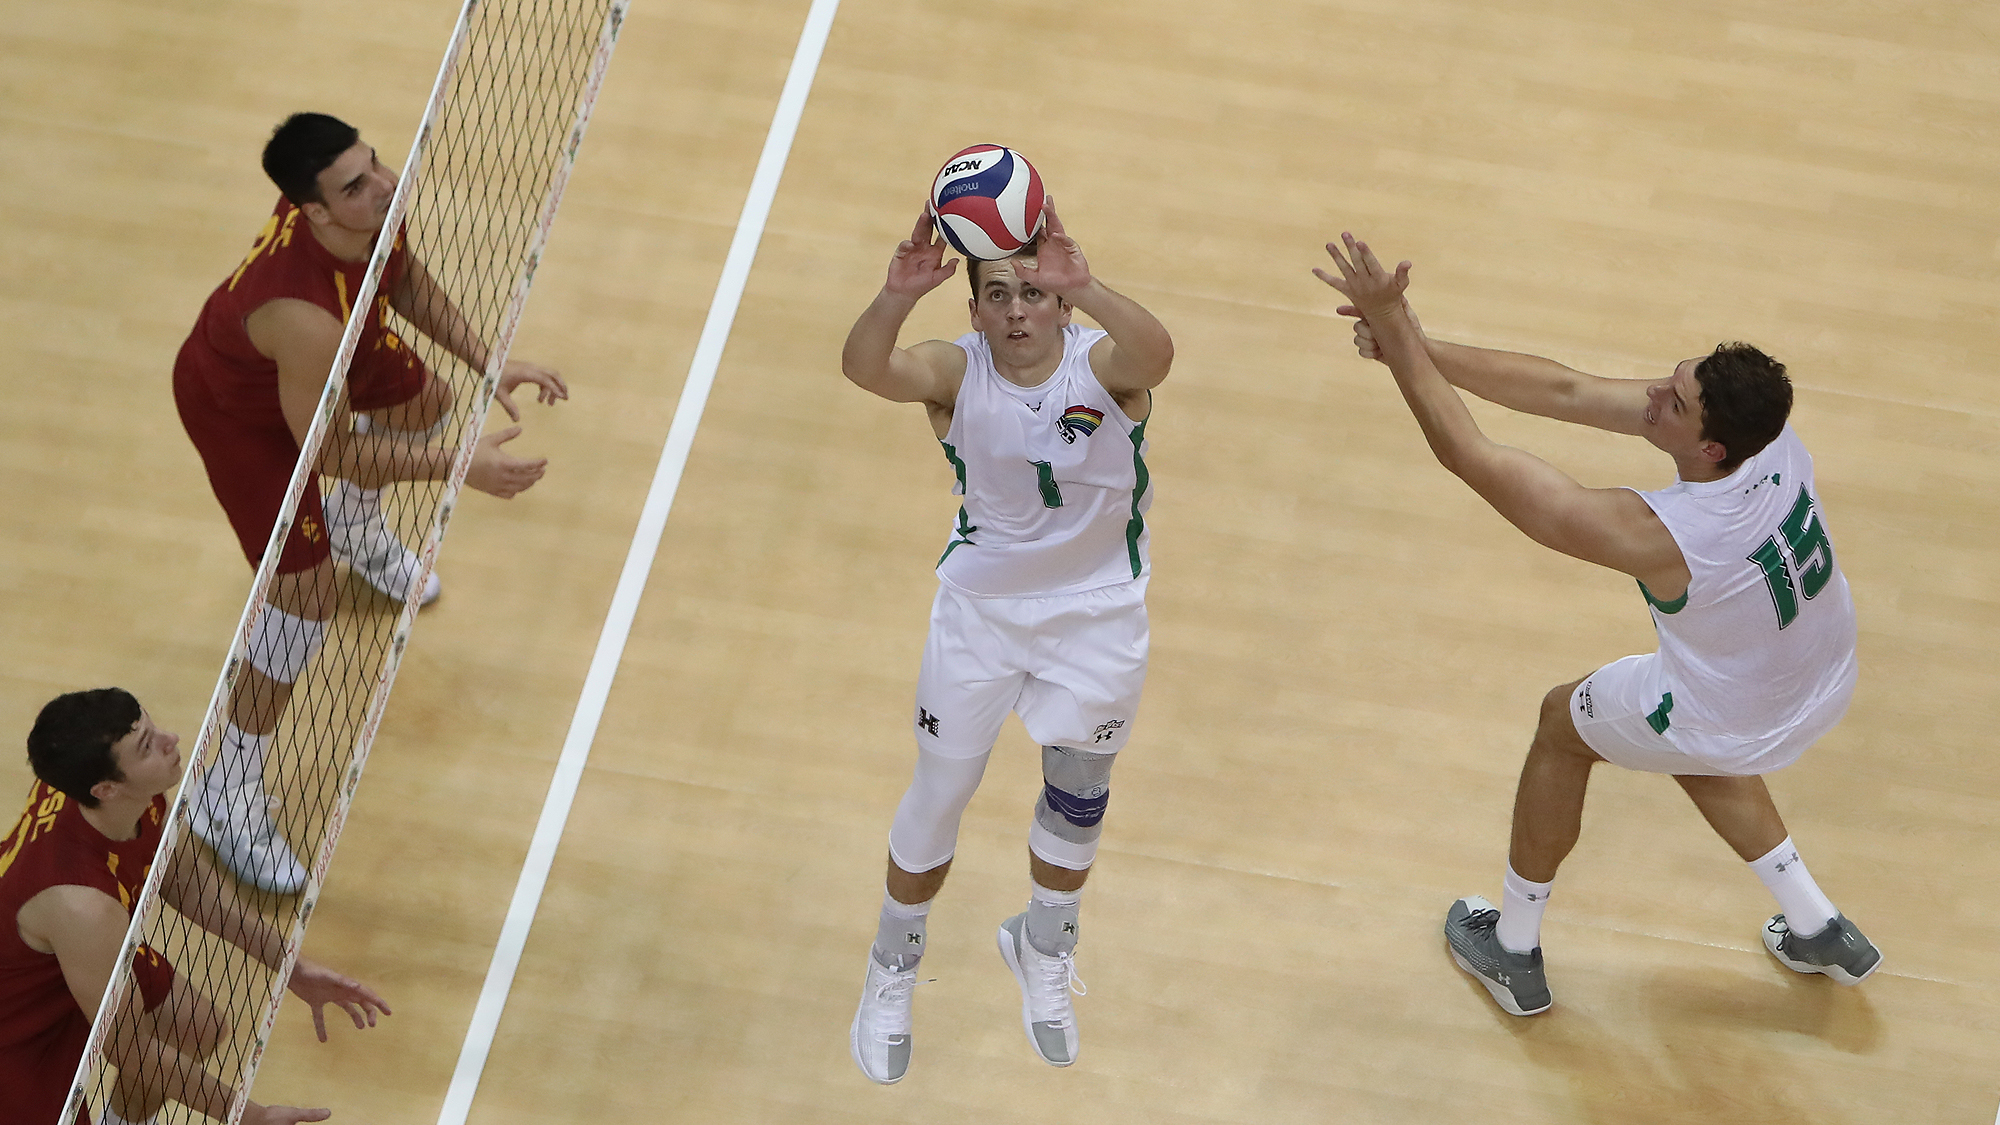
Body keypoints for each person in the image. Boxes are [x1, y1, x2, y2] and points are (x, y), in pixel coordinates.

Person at [1314, 233, 1880, 1017]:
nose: (1653, 395)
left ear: (1709, 447)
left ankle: (1511, 950)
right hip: (1823, 670)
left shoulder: (1661, 533)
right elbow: (1571, 392)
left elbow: (1469, 454)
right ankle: (1818, 925)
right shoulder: (1767, 434)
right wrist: (1406, 338)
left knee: (1564, 722)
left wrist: (1396, 328)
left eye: (1672, 404)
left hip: (1741, 705)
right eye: (1673, 377)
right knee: (1686, 744)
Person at [173, 112, 568, 894]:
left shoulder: (369, 214)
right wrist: (462, 469)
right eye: (356, 184)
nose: (385, 185)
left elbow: (405, 276)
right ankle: (227, 792)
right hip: (239, 414)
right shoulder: (304, 317)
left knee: (427, 404)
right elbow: (327, 452)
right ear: (312, 211)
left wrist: (491, 361)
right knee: (304, 601)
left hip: (324, 370)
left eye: (376, 165)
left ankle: (353, 526)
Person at [840, 200, 1173, 1081]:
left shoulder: (1104, 369)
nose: (1018, 310)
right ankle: (891, 967)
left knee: (1079, 793)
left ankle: (1043, 944)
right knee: (941, 791)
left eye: (1033, 292)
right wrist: (891, 296)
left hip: (1095, 615)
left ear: (1058, 302)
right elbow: (867, 369)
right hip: (981, 617)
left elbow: (1159, 355)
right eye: (999, 295)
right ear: (977, 310)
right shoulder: (958, 372)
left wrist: (1090, 285)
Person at [0, 688, 390, 1125]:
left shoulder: (124, 800)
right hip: (16, 1022)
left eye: (153, 727)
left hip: (62, 949)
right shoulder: (83, 906)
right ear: (106, 788)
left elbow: (187, 884)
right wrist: (252, 1116)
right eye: (147, 746)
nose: (172, 740)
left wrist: (292, 966)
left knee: (195, 1025)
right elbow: (131, 1052)